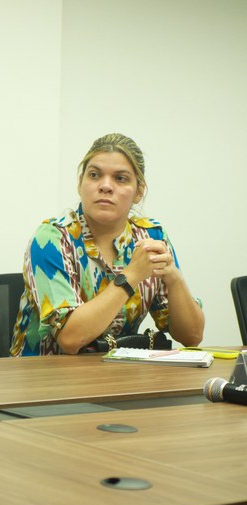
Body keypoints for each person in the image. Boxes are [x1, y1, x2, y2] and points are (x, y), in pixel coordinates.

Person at [11, 133, 204, 356]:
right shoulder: (53, 238)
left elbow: (192, 336)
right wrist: (131, 275)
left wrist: (174, 279)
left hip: (119, 376)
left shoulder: (151, 235)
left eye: (120, 178)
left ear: (139, 192)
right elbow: (71, 339)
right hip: (48, 380)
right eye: (94, 175)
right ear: (80, 183)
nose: (105, 186)